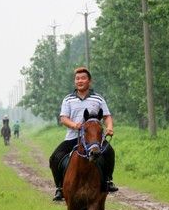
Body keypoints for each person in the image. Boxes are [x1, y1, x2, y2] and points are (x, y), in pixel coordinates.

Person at [49, 66, 118, 201]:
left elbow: (107, 116)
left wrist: (109, 127)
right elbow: (63, 118)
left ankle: (108, 181)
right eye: (77, 78)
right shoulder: (68, 99)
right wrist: (74, 125)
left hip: (94, 139)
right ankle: (60, 188)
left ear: (89, 81)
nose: (80, 81)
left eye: (83, 78)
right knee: (54, 158)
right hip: (73, 138)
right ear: (75, 81)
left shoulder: (98, 98)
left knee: (109, 152)